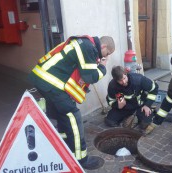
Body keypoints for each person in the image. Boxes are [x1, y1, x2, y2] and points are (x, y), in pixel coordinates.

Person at [28, 35, 115, 170]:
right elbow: (90, 77)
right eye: (107, 53)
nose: (106, 56)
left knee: (62, 117)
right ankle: (81, 159)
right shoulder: (89, 48)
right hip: (51, 82)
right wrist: (103, 67)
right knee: (73, 117)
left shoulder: (85, 44)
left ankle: (64, 148)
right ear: (103, 47)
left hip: (43, 78)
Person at [105, 66, 159, 135]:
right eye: (120, 81)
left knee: (145, 124)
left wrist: (147, 105)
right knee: (110, 121)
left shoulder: (138, 79)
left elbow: (154, 88)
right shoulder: (113, 85)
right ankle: (129, 116)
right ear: (116, 80)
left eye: (124, 78)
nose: (123, 82)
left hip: (140, 106)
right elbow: (110, 100)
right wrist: (118, 105)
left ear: (126, 74)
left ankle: (148, 113)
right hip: (125, 107)